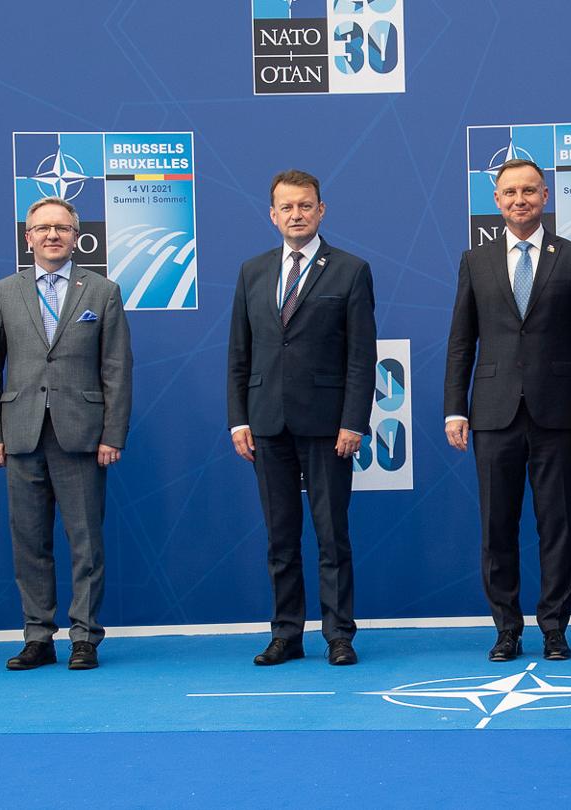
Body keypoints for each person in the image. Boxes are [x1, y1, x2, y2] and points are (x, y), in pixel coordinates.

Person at [444, 159, 571, 662]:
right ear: (496, 201)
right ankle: (506, 629)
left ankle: (554, 629)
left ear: (545, 197)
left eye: (530, 191)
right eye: (510, 192)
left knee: (555, 524)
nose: (520, 200)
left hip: (559, 414)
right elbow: (460, 343)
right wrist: (455, 409)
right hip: (492, 414)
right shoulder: (475, 261)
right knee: (497, 527)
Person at [226, 169, 376, 666]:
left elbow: (361, 357)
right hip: (266, 424)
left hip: (329, 426)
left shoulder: (351, 270)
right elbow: (239, 355)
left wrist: (353, 421)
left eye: (305, 205)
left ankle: (339, 635)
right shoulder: (252, 271)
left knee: (332, 535)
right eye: (286, 207)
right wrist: (238, 419)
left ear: (321, 210)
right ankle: (286, 634)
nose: (296, 214)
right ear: (273, 215)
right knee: (280, 537)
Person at [0, 196, 133, 671]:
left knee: (85, 540)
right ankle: (37, 636)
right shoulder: (3, 291)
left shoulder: (102, 291)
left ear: (76, 235)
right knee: (29, 541)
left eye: (61, 228)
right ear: (28, 237)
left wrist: (112, 434)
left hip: (82, 435)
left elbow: (117, 369)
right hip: (20, 434)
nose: (52, 236)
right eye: (42, 228)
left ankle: (84, 636)